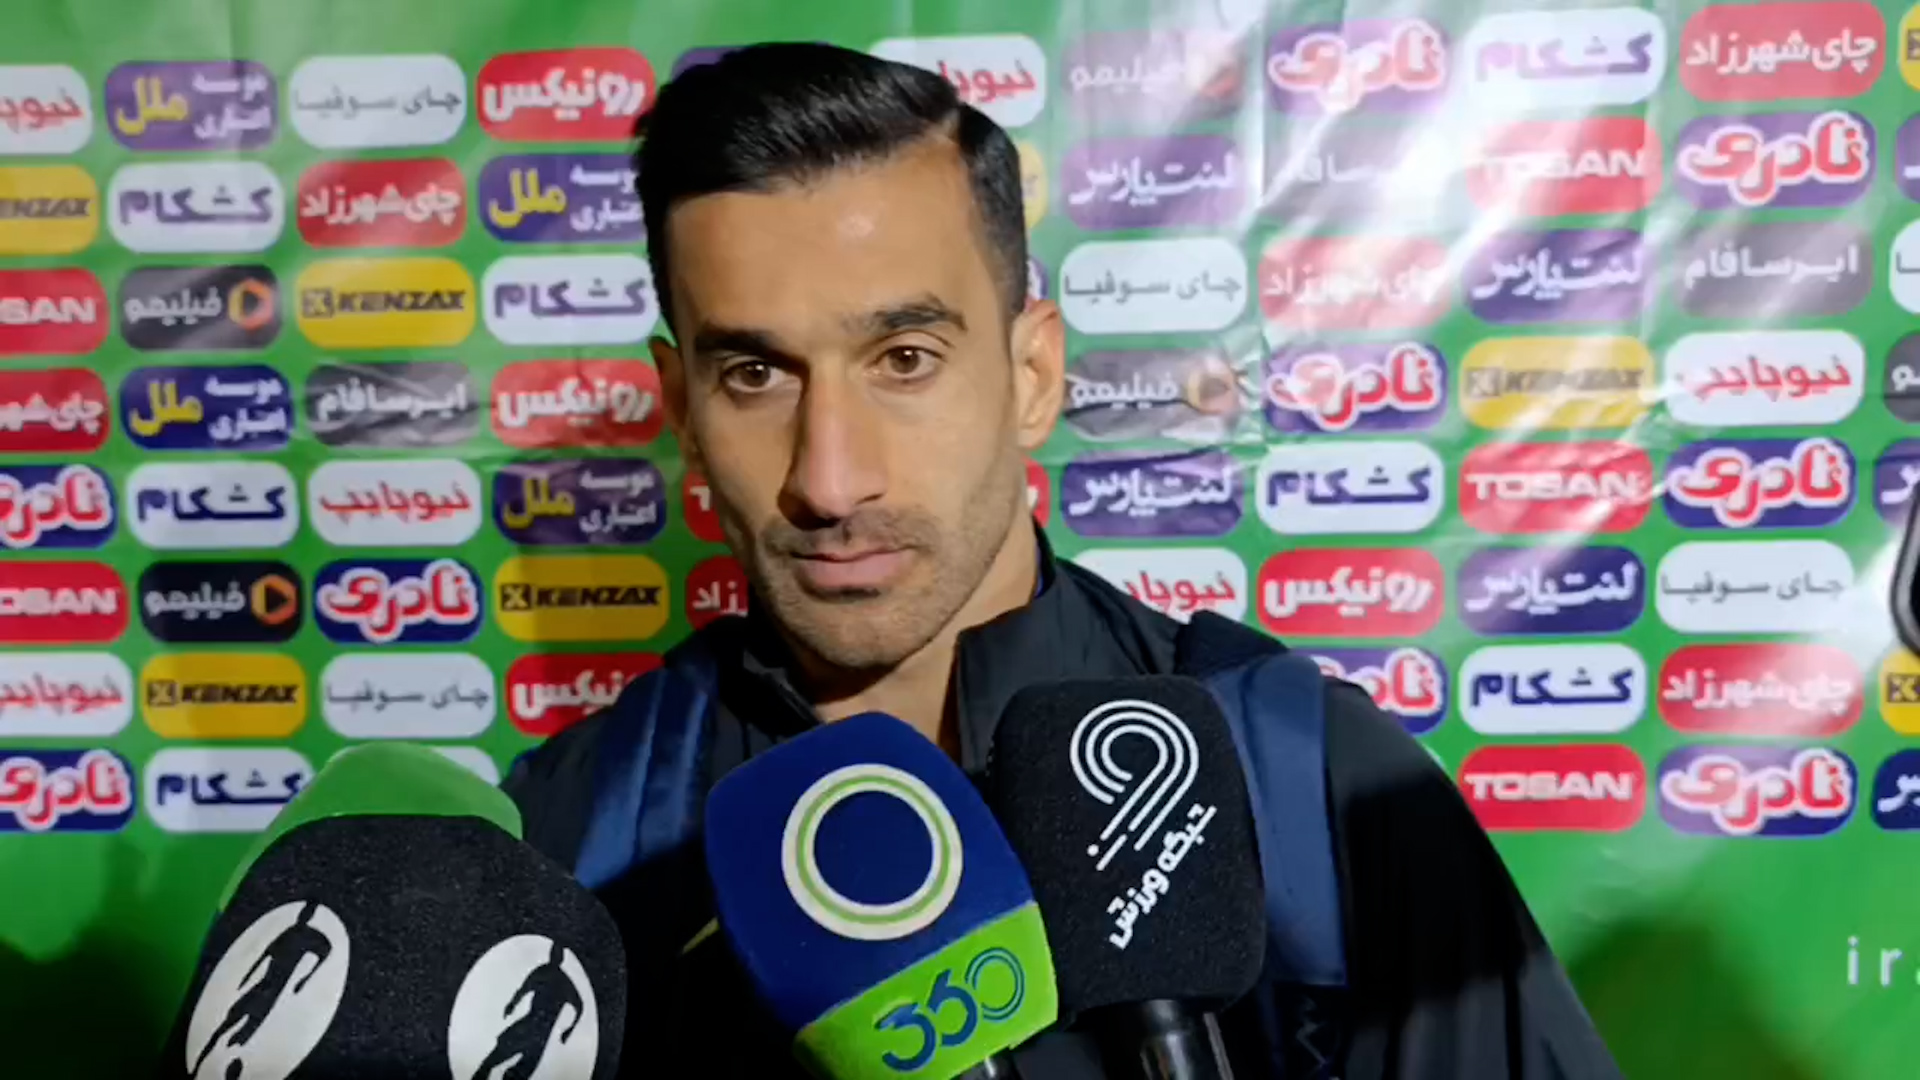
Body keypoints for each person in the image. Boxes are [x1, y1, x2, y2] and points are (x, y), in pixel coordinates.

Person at [503, 42, 1623, 1080]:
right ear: (682, 409)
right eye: (755, 375)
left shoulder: (1314, 785)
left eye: (905, 358)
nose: (831, 481)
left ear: (1033, 375)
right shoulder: (571, 843)